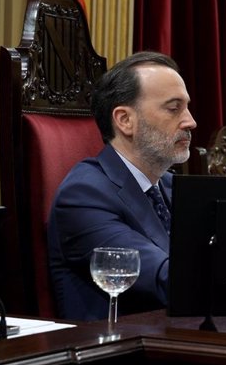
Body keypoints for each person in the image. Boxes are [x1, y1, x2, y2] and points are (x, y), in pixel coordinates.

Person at [47, 51, 197, 321]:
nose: (190, 122)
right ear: (125, 120)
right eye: (174, 108)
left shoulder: (172, 188)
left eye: (186, 108)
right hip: (117, 352)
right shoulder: (84, 195)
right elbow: (167, 280)